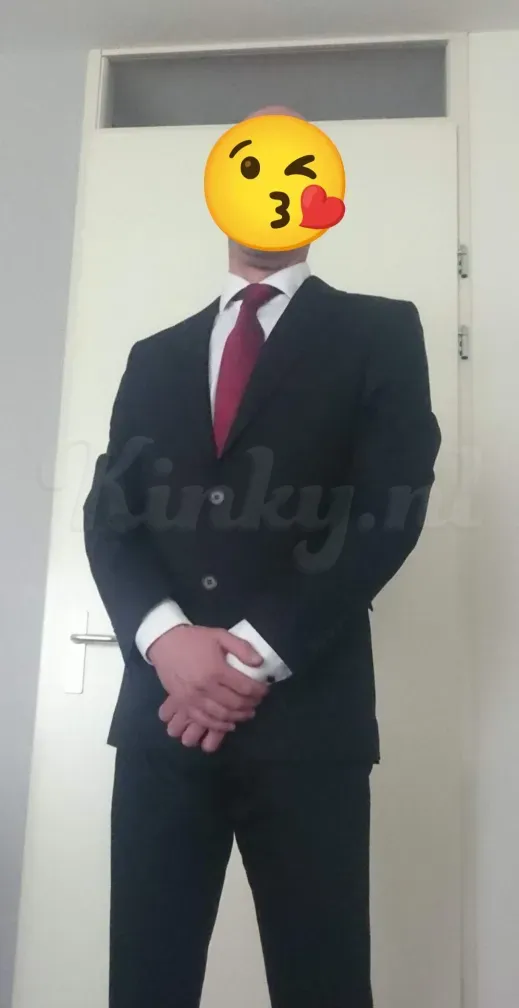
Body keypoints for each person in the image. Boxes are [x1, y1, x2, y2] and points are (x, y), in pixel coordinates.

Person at [84, 105, 441, 1008]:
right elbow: (111, 518)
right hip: (161, 721)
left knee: (323, 984)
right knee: (145, 984)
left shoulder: (379, 332)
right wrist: (165, 642)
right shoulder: (152, 357)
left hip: (307, 722)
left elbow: (387, 510)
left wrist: (251, 654)